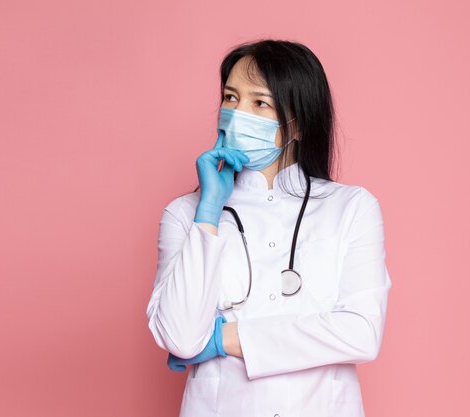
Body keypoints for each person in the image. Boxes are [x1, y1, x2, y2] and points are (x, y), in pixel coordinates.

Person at [146, 39, 393, 417]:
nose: (236, 113)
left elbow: (360, 333)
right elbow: (180, 337)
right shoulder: (186, 214)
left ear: (297, 123)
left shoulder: (351, 208)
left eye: (259, 103)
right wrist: (209, 211)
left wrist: (224, 337)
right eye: (230, 98)